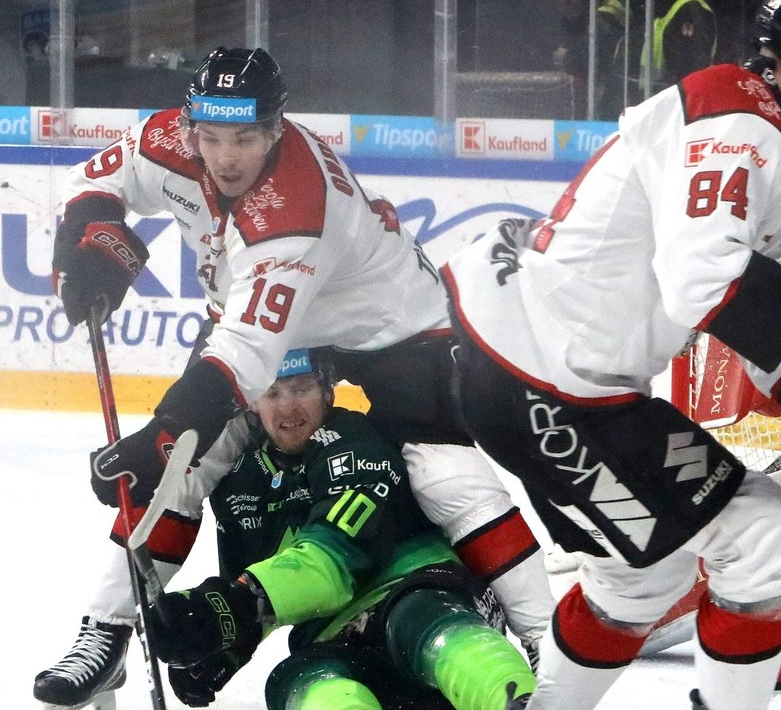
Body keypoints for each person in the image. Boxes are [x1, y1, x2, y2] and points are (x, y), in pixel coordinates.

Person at [441, 0, 781, 710]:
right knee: (764, 538)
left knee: (645, 577)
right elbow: (702, 282)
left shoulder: (762, 138)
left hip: (548, 376)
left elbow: (772, 311)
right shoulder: (740, 118)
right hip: (545, 379)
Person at [35, 47, 553, 708]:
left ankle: (544, 641)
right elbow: (94, 180)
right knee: (183, 470)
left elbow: (245, 356)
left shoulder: (294, 211)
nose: (225, 158)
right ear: (190, 127)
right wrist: (92, 239)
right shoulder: (171, 138)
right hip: (252, 311)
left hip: (390, 327)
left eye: (246, 139)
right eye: (213, 138)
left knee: (443, 470)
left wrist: (160, 433)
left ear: (276, 129)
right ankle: (106, 629)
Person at [147, 349, 536, 709]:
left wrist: (235, 604)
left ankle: (524, 701)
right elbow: (252, 587)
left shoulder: (356, 441)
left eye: (301, 389)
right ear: (253, 402)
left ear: (327, 390)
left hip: (417, 589)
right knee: (298, 680)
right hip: (334, 634)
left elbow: (328, 567)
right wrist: (217, 638)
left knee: (425, 623)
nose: (289, 407)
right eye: (273, 393)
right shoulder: (241, 479)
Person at [598, 0, 717, 113]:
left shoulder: (690, 10)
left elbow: (687, 78)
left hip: (672, 117)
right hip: (640, 115)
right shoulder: (644, 9)